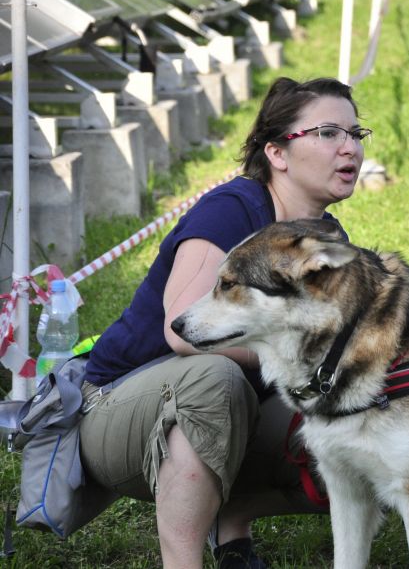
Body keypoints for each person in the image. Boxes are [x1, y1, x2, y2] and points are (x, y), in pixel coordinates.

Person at [78, 77, 371, 569]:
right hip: (117, 410)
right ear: (277, 153)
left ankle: (230, 521)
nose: (350, 148)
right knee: (216, 377)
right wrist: (293, 350)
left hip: (231, 410)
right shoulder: (231, 209)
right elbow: (181, 331)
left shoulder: (324, 237)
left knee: (368, 419)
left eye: (355, 134)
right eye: (328, 133)